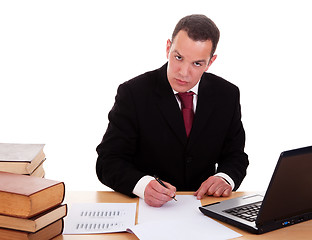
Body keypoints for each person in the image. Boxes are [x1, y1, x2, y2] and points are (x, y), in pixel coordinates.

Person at [96, 14, 249, 207]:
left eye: (197, 63)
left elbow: (236, 155)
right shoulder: (133, 93)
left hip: (205, 207)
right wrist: (143, 185)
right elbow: (108, 161)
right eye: (178, 57)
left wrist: (225, 178)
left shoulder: (227, 94)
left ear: (211, 62)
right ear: (168, 48)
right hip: (148, 209)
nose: (184, 72)